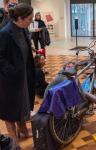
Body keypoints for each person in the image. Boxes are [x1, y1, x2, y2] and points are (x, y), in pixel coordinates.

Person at [0, 3, 35, 141]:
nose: (31, 21)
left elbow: (24, 51)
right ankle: (13, 138)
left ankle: (23, 130)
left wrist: (35, 58)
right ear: (20, 18)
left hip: (24, 76)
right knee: (10, 110)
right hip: (9, 79)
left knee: (22, 106)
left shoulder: (24, 30)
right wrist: (12, 71)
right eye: (29, 19)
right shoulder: (4, 33)